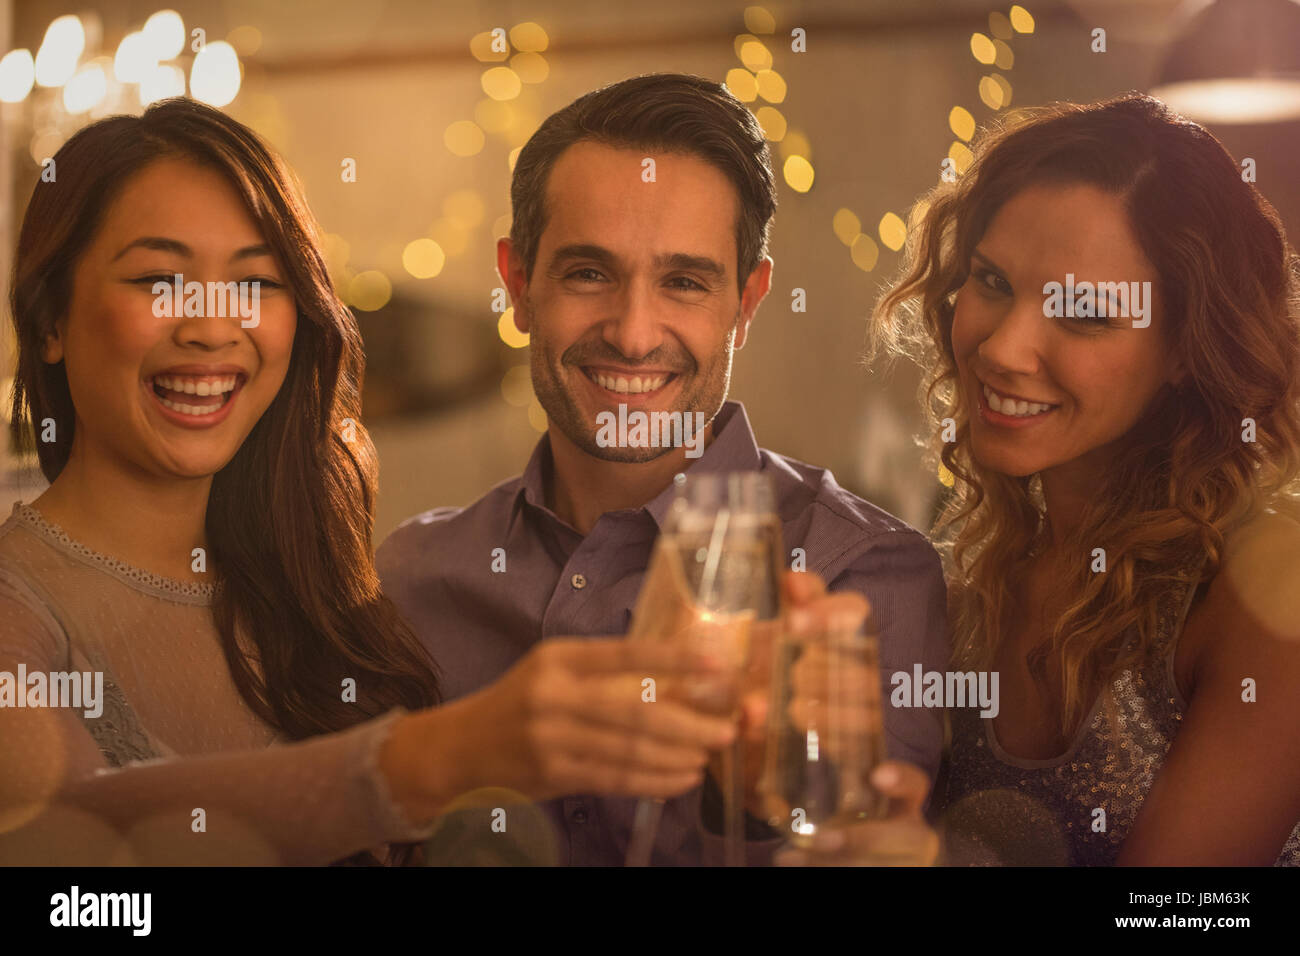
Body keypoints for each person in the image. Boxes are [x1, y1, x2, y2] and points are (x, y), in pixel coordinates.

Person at [0, 97, 743, 866]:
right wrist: (431, 758)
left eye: (256, 285)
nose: (213, 326)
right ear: (51, 316)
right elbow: (56, 838)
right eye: (160, 280)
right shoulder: (18, 603)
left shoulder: (332, 589)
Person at [377, 73, 947, 865]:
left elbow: (870, 847)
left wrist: (789, 804)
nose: (635, 334)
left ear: (747, 302)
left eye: (683, 282)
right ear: (517, 283)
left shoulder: (864, 575)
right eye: (588, 273)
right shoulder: (410, 578)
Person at [872, 92, 1300, 865]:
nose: (1004, 348)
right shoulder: (967, 572)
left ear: (1185, 349)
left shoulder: (1269, 583)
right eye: (992, 281)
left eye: (1084, 314)